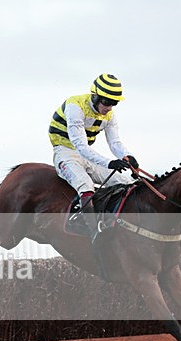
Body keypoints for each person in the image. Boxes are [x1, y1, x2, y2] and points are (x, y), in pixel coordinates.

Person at [48, 73, 140, 242]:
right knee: (86, 186)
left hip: (86, 155)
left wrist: (128, 156)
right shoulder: (75, 106)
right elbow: (80, 146)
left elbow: (115, 142)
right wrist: (110, 162)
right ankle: (94, 234)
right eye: (106, 102)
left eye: (114, 103)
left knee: (125, 182)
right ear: (95, 96)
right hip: (65, 152)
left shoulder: (110, 116)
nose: (109, 107)